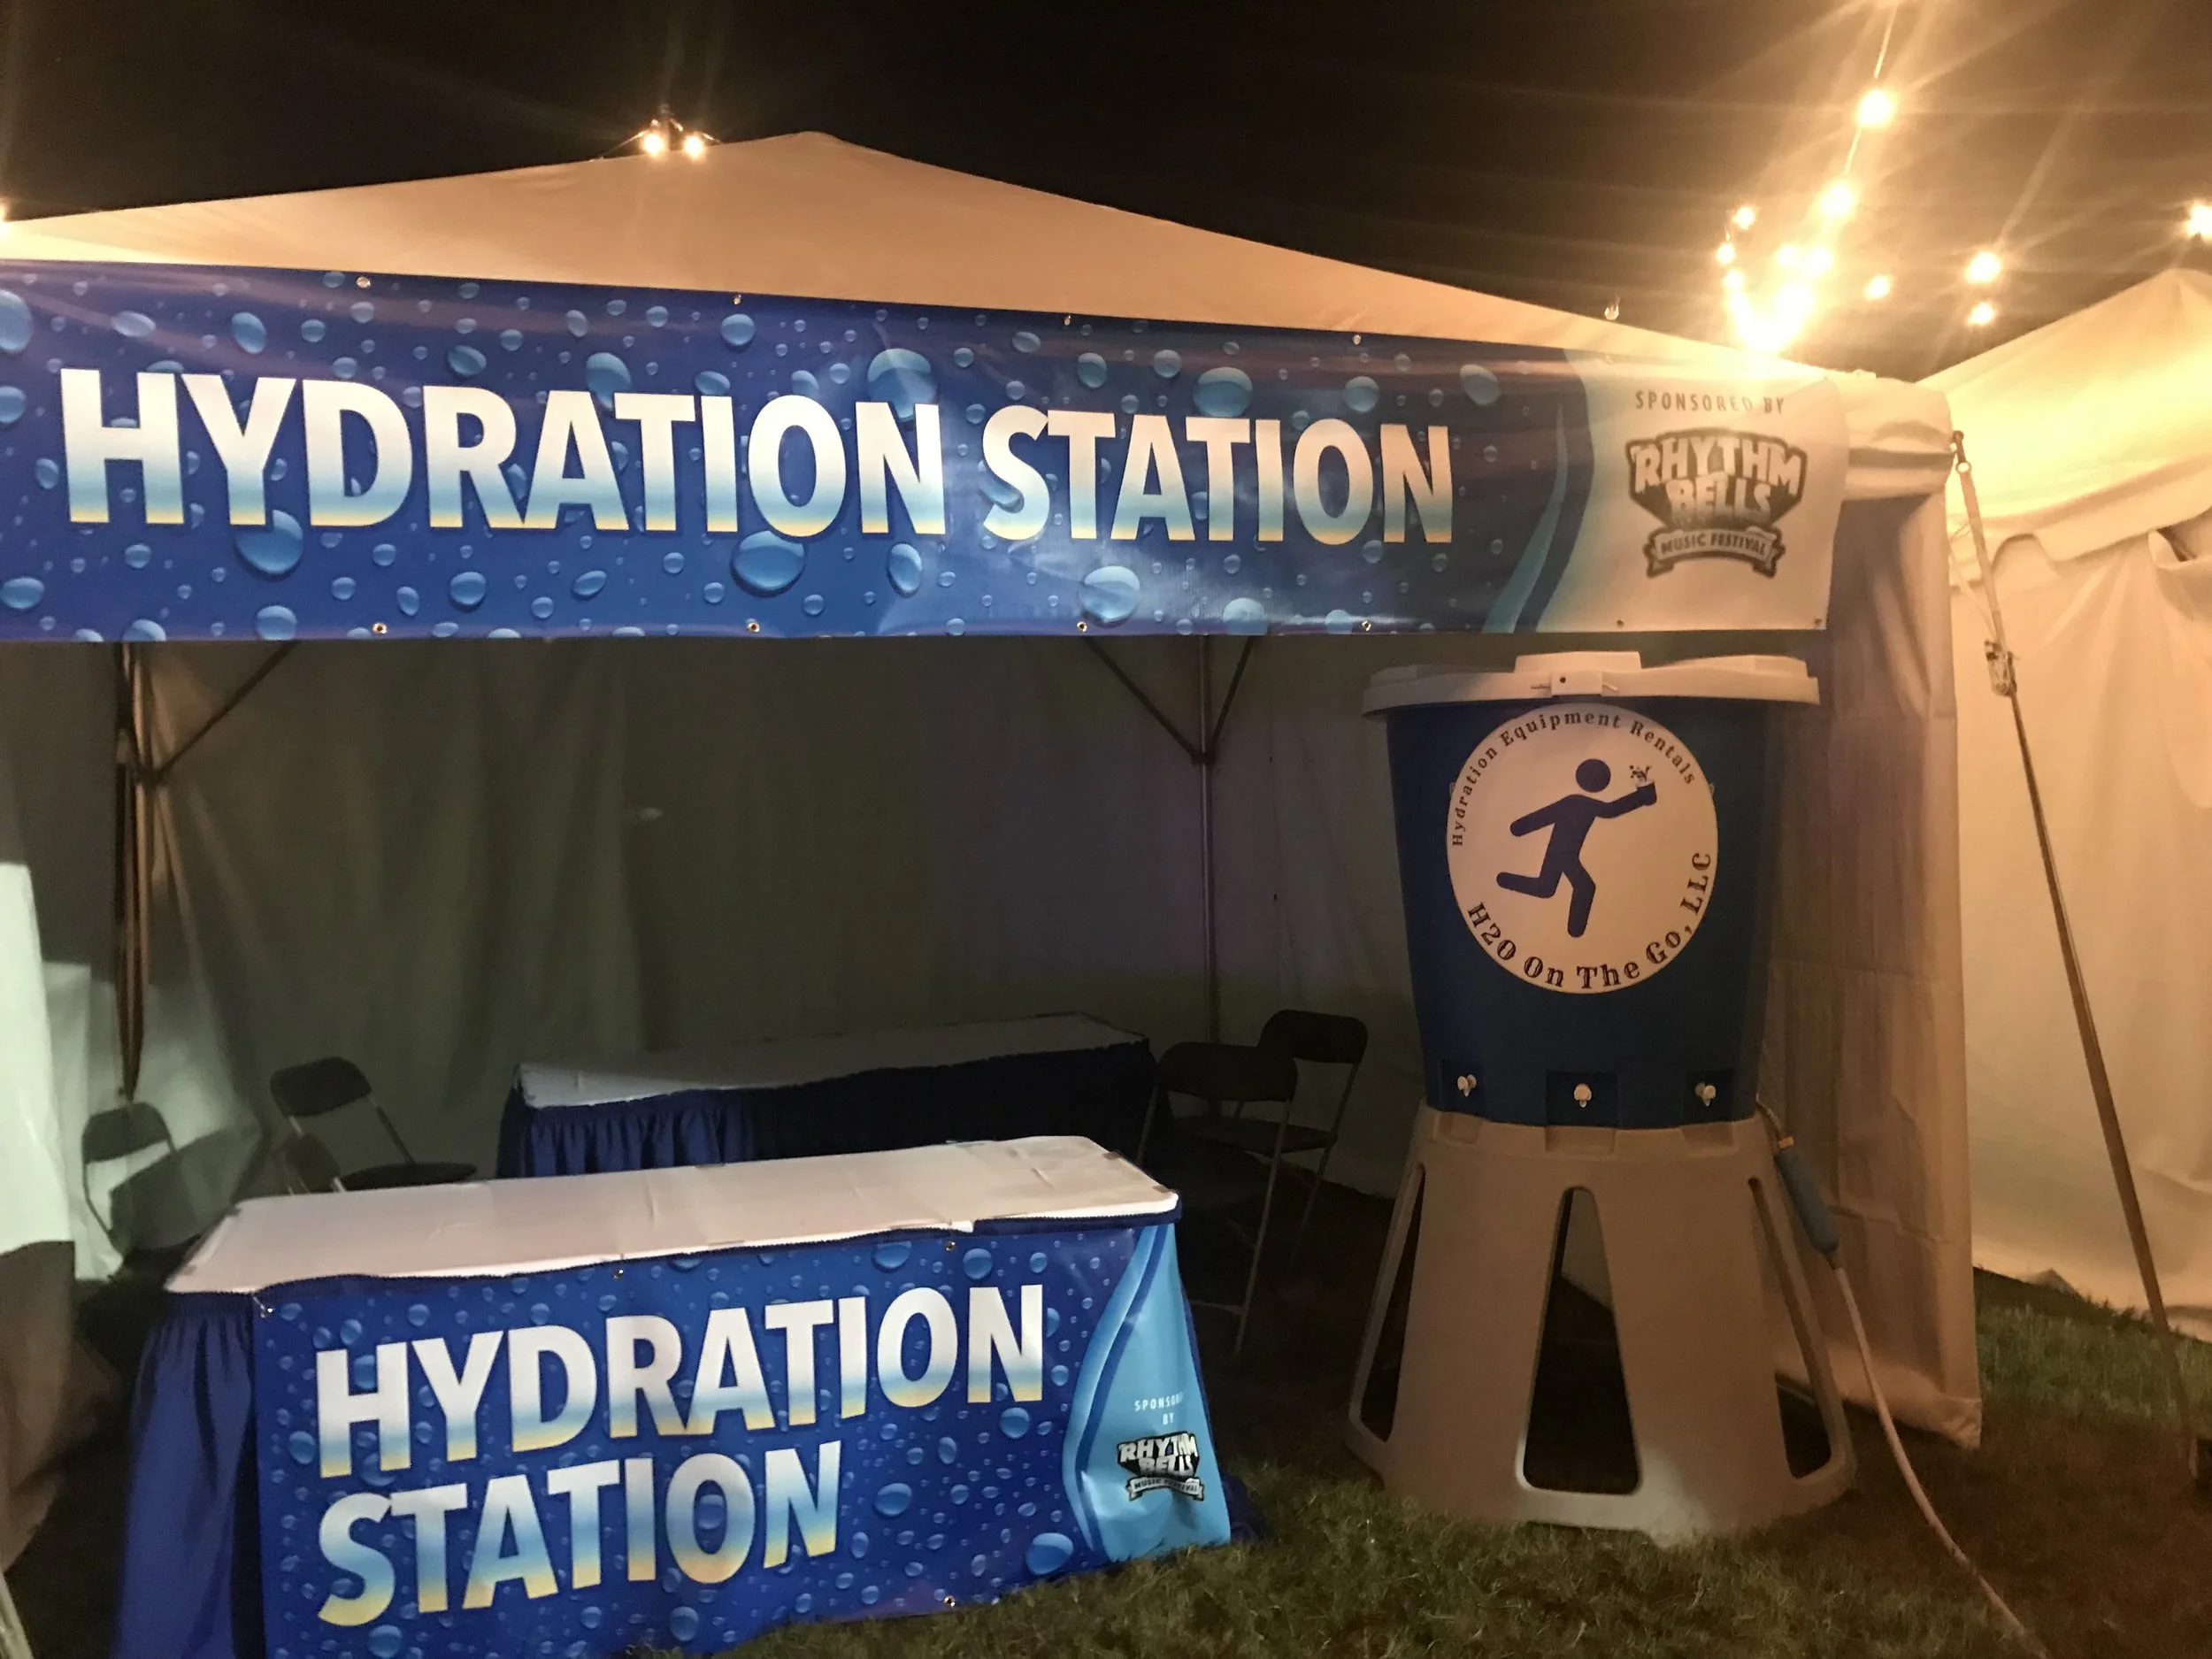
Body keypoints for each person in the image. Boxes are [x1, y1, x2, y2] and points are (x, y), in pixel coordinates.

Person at [1495, 757, 1655, 937]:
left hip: (1563, 854)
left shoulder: (1581, 803)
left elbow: (1612, 810)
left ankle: (1503, 880)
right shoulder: (1578, 803)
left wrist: (1518, 828)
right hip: (1563, 855)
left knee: (1546, 888)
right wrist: (1519, 828)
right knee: (1582, 886)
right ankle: (1575, 931)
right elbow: (1611, 810)